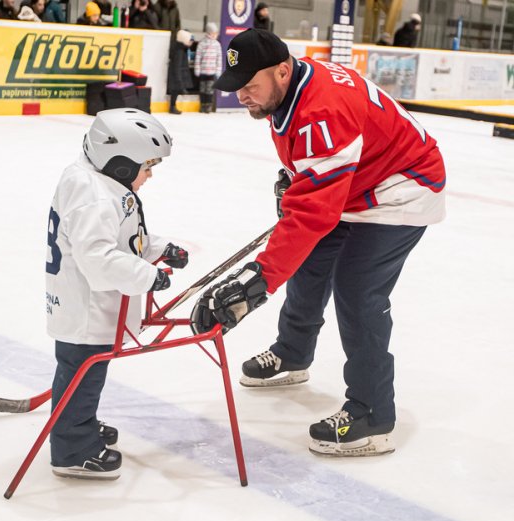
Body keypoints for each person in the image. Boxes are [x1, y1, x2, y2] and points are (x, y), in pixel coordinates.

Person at [190, 29, 446, 457]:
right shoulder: (288, 91)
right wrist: (298, 179)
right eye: (238, 88)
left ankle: (372, 415)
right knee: (309, 264)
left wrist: (258, 280)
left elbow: (312, 213)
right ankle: (293, 353)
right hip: (356, 186)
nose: (243, 98)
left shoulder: (322, 111)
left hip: (403, 188)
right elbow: (315, 173)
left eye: (250, 87)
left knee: (357, 289)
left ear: (282, 71)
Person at [46, 108, 189, 479]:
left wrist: (159, 249)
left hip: (90, 306)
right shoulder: (94, 195)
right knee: (83, 374)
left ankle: (79, 423)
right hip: (86, 308)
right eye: (147, 165)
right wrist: (149, 276)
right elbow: (98, 259)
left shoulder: (100, 183)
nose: (150, 174)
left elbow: (122, 237)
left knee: (85, 375)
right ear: (120, 163)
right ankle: (72, 449)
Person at [194, 22, 222, 113]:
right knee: (202, 89)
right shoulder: (202, 43)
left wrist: (218, 70)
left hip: (212, 71)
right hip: (203, 71)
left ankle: (208, 106)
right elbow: (198, 57)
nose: (216, 35)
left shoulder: (217, 44)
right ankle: (203, 105)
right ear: (209, 33)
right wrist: (197, 69)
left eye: (216, 33)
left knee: (210, 90)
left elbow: (219, 58)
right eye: (214, 33)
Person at [166, 29, 194, 114]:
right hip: (176, 77)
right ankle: (172, 107)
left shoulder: (182, 49)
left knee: (176, 92)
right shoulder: (179, 51)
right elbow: (176, 67)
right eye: (190, 41)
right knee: (175, 91)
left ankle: (173, 106)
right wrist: (179, 81)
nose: (191, 43)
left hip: (178, 76)